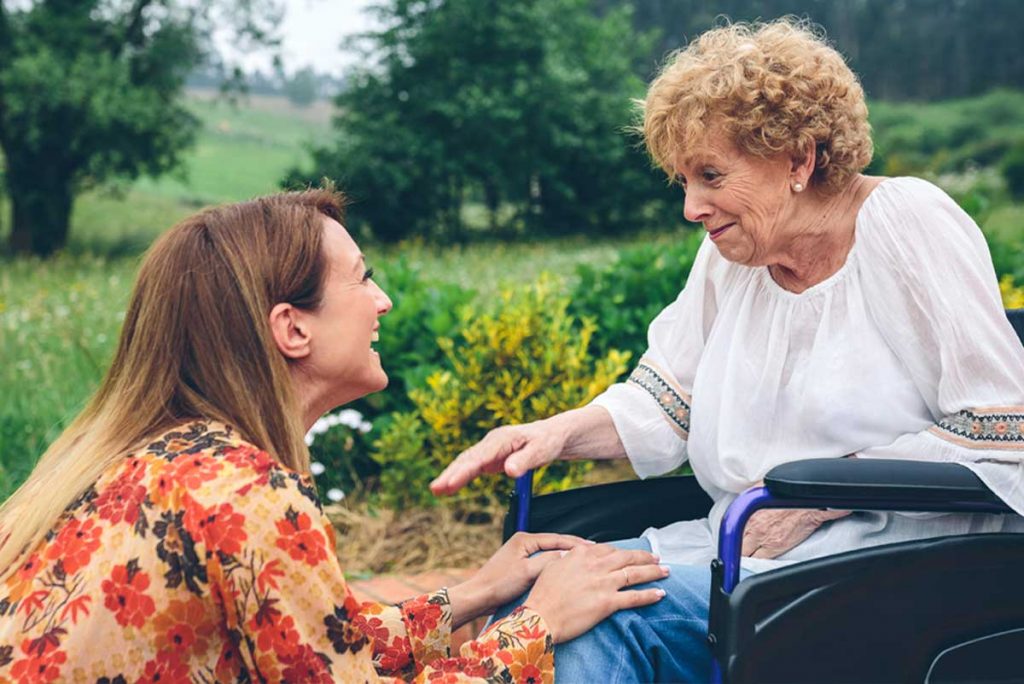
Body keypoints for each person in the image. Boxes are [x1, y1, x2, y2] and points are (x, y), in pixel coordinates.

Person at [430, 18, 1024, 682]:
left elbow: (1004, 431)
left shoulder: (905, 223)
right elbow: (665, 404)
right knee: (530, 597)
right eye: (683, 180)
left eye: (710, 175)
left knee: (602, 618)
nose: (691, 207)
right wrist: (549, 434)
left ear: (798, 159)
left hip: (884, 560)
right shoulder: (734, 255)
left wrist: (818, 500)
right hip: (745, 547)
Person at [0, 189, 668, 682]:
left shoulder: (153, 457)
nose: (383, 302)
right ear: (292, 329)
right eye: (363, 278)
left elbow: (314, 646)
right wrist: (537, 623)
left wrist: (472, 595)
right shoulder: (247, 496)